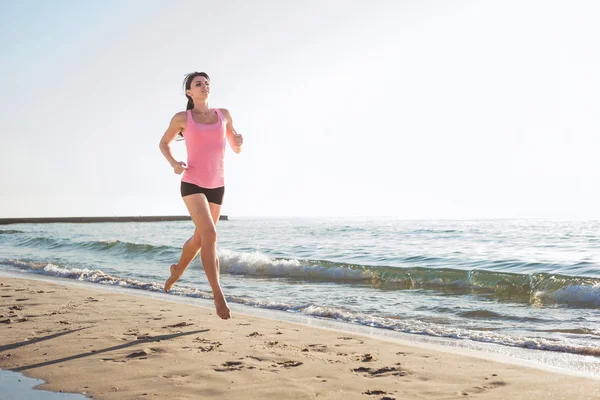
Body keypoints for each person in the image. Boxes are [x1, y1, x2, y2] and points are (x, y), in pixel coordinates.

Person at [158, 72, 243, 320]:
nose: (204, 86)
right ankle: (218, 295)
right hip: (192, 183)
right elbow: (164, 143)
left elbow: (236, 148)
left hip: (218, 185)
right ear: (189, 93)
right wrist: (174, 163)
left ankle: (176, 271)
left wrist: (239, 141)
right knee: (210, 234)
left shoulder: (223, 115)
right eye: (198, 84)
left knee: (199, 238)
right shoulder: (183, 118)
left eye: (207, 83)